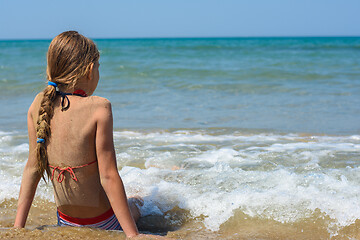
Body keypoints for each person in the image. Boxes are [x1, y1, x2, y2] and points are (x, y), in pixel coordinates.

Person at [13, 31, 161, 239]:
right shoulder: (100, 107)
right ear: (90, 70)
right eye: (98, 68)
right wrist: (133, 236)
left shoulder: (38, 105)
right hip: (106, 221)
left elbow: (32, 168)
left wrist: (17, 228)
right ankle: (160, 176)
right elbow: (108, 176)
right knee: (139, 201)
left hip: (65, 221)